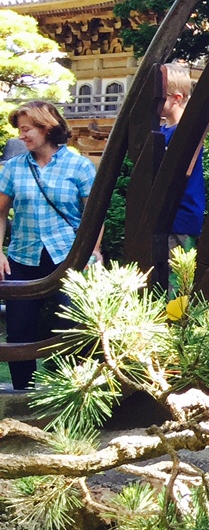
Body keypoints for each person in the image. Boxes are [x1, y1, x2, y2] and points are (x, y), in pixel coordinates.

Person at [0, 101, 97, 389]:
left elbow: (94, 215)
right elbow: (0, 213)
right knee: (19, 331)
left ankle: (72, 393)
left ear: (46, 127)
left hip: (68, 257)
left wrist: (94, 251)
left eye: (27, 129)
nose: (22, 136)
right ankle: (21, 396)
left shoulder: (79, 165)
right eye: (20, 130)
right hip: (22, 257)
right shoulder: (13, 168)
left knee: (73, 328)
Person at [158, 62, 207, 251]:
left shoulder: (186, 132)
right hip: (165, 217)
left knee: (176, 278)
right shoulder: (162, 131)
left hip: (181, 219)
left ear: (176, 98)